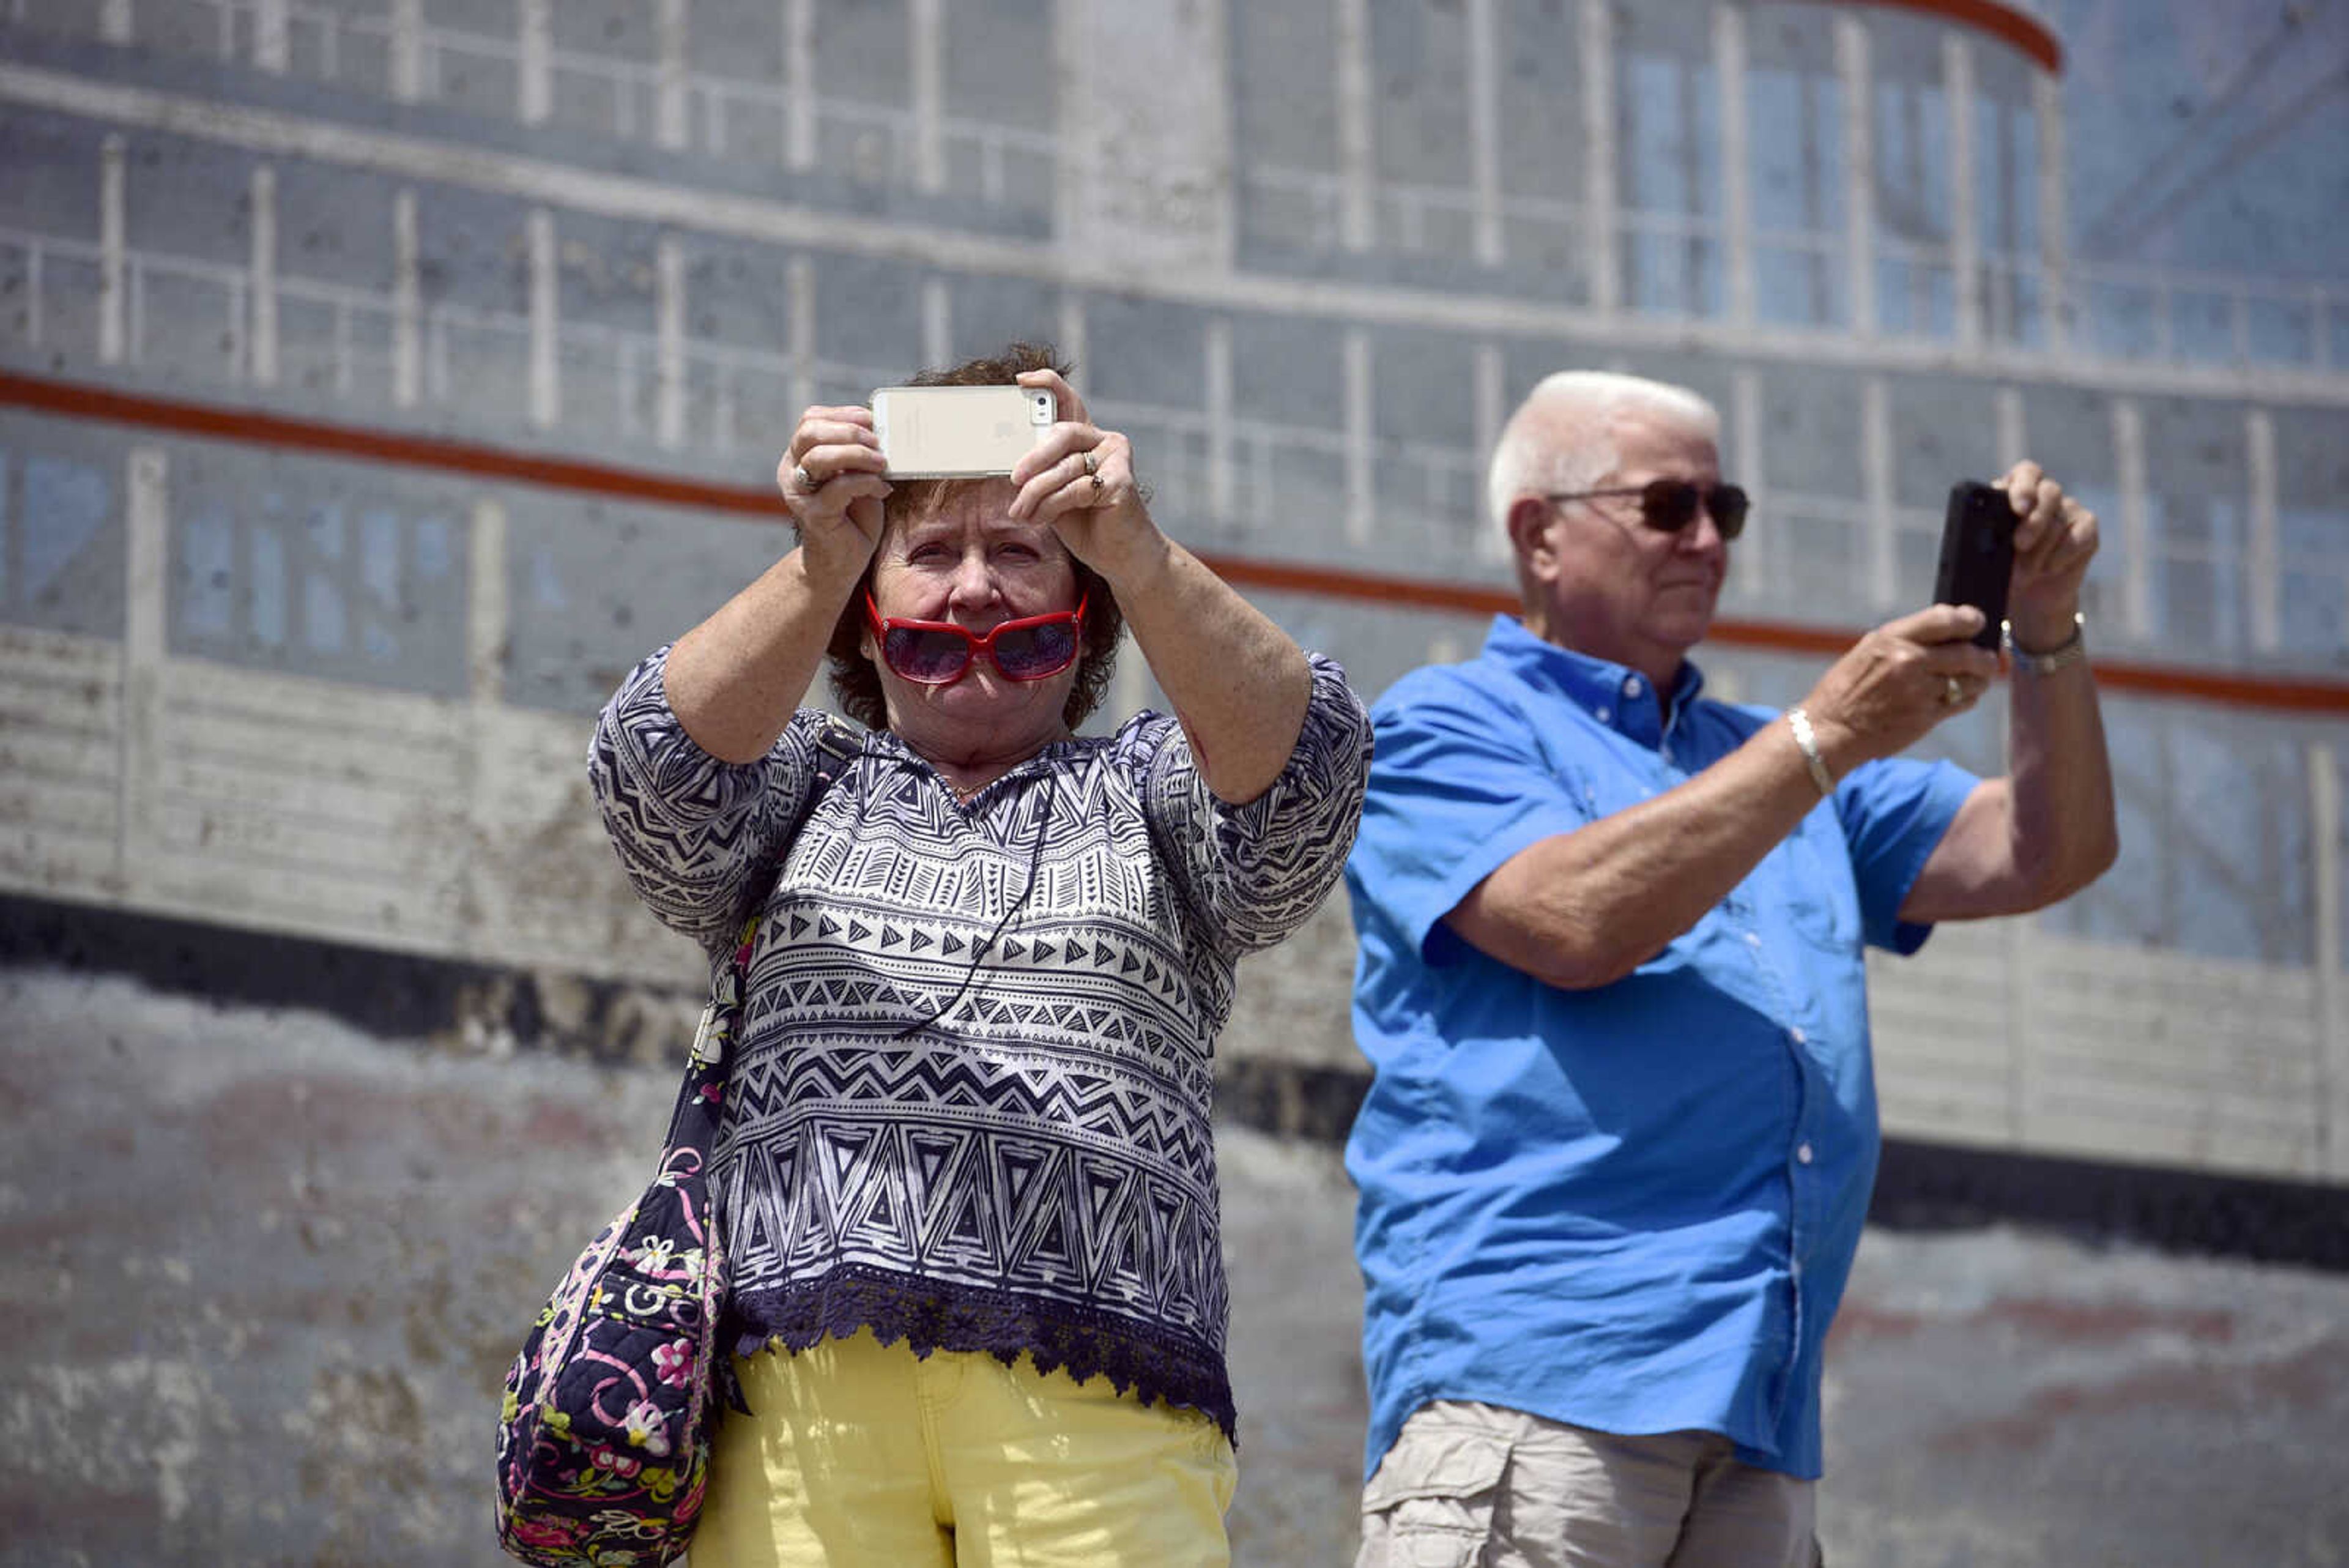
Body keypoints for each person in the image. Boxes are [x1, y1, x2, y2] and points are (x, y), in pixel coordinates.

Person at [587, 342, 1372, 1567]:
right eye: (933, 554)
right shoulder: (803, 783)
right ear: (875, 615)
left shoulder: (1153, 789)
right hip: (804, 1400)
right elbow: (651, 772)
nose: (973, 590)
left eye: (1017, 550)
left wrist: (1136, 543)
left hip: (1101, 1392)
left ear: (1084, 607)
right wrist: (819, 559)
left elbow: (1309, 776)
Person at [1342, 371, 2118, 1568]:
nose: (1707, 540)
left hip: (1760, 1424)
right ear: (1538, 536)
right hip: (1535, 1394)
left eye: (1726, 506)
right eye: (1665, 505)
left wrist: (2052, 629)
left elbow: (2049, 848)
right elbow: (1574, 922)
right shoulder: (1443, 723)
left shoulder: (1768, 757)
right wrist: (1826, 738)